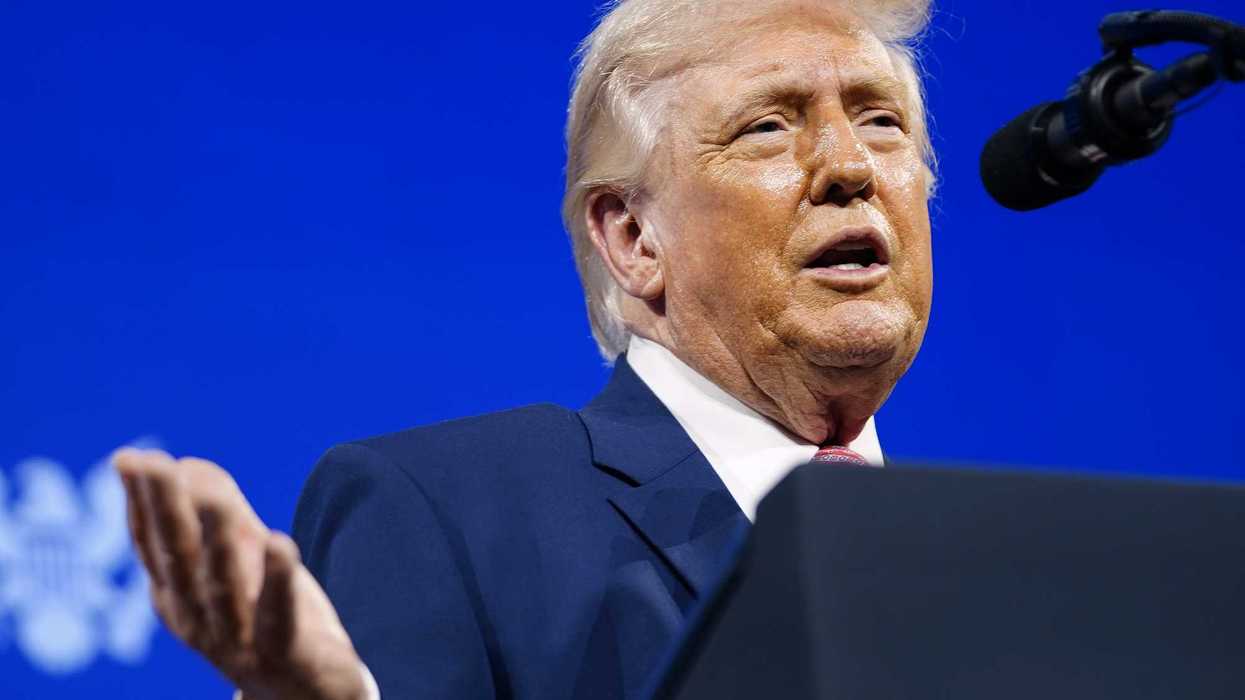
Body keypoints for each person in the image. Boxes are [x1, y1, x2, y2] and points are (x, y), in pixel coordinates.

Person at [113, 0, 936, 697]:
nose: (849, 164)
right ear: (632, 237)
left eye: (880, 121)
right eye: (766, 127)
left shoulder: (997, 563)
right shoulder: (446, 513)